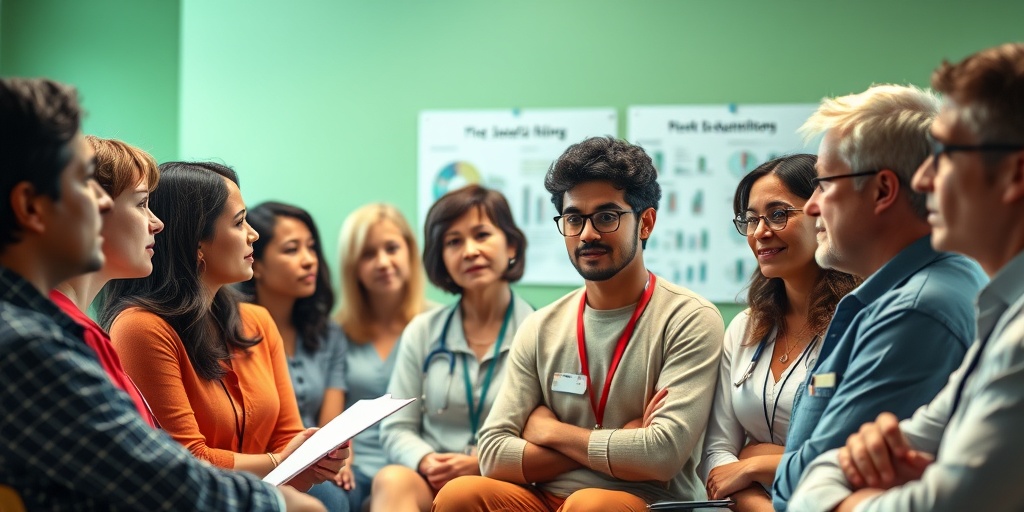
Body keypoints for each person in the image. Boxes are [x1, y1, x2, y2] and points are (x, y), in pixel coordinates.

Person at [0, 76, 325, 510]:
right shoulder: (29, 343)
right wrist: (281, 500)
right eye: (83, 183)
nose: (100, 203)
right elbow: (164, 481)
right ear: (30, 207)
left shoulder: (53, 330)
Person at [790, 42, 1024, 512]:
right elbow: (826, 469)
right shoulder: (1002, 311)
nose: (923, 180)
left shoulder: (933, 310)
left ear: (1014, 174)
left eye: (947, 154)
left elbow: (948, 502)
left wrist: (847, 501)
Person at [432, 136, 724, 511]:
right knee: (459, 494)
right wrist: (616, 440)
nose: (587, 234)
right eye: (574, 219)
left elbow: (660, 455)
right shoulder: (540, 326)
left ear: (646, 223)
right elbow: (491, 454)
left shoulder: (689, 319)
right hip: (544, 496)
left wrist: (551, 432)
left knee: (590, 505)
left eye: (607, 216)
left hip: (640, 501)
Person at [102, 161, 348, 499]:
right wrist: (281, 461)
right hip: (199, 500)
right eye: (239, 222)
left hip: (258, 496)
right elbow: (186, 461)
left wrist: (312, 458)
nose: (253, 234)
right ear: (197, 243)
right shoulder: (140, 328)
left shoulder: (257, 320)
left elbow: (287, 437)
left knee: (332, 496)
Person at [700, 155, 859, 511]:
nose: (759, 232)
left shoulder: (856, 324)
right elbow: (716, 453)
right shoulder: (745, 327)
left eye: (778, 214)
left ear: (822, 213)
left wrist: (757, 462)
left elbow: (847, 455)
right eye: (751, 219)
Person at [374, 185, 534, 512]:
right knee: (391, 479)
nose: (470, 251)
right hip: (433, 477)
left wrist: (482, 462)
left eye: (482, 235)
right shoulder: (422, 331)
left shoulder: (542, 332)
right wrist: (425, 459)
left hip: (504, 484)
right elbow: (396, 427)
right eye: (453, 242)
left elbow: (546, 438)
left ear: (512, 245)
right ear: (442, 258)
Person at [240, 201, 351, 512]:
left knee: (338, 491)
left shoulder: (328, 334)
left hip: (316, 461)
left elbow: (332, 425)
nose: (309, 260)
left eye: (311, 247)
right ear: (256, 263)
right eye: (291, 249)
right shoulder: (233, 332)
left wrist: (338, 456)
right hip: (261, 465)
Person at [50, 135, 164, 428]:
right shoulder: (63, 332)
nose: (156, 223)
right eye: (141, 203)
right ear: (91, 211)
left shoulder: (78, 326)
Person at [334, 203, 431, 511]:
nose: (383, 262)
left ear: (410, 252)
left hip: (419, 468)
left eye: (392, 248)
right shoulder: (336, 332)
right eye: (368, 254)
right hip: (355, 471)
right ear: (352, 265)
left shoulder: (439, 326)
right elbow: (332, 416)